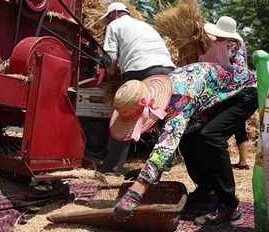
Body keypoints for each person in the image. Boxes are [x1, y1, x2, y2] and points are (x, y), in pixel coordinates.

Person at [109, 56, 256, 226]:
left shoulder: (178, 98)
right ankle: (206, 191)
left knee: (211, 137)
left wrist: (137, 190)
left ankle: (229, 206)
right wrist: (153, 172)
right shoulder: (160, 98)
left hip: (244, 92)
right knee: (188, 135)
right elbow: (168, 140)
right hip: (213, 96)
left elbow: (166, 146)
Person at [98, 2, 175, 175]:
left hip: (139, 69)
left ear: (115, 13)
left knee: (127, 115)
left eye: (108, 17)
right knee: (163, 116)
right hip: (167, 70)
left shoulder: (114, 25)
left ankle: (112, 167)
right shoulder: (145, 25)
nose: (107, 22)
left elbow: (111, 60)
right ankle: (165, 162)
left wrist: (109, 72)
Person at [193, 16, 257, 172]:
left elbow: (221, 66)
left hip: (237, 92)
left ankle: (230, 164)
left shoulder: (225, 44)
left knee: (215, 133)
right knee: (235, 126)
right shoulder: (237, 44)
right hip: (240, 91)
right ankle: (241, 160)